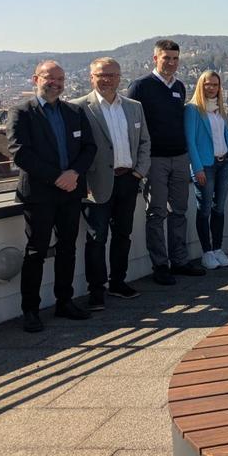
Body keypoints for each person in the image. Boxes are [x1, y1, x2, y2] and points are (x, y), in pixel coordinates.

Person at [8, 61, 97, 331]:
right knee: (36, 251)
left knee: (68, 248)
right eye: (50, 78)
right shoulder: (21, 112)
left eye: (60, 79)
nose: (56, 84)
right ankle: (30, 310)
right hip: (39, 194)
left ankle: (64, 302)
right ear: (36, 79)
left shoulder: (74, 111)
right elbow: (20, 152)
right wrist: (58, 177)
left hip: (71, 191)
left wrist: (74, 173)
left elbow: (89, 148)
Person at [73, 57, 150, 310]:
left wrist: (139, 173)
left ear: (119, 78)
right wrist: (82, 180)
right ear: (91, 77)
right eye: (101, 75)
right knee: (97, 238)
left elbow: (144, 142)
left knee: (123, 234)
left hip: (128, 180)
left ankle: (118, 282)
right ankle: (96, 290)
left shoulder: (134, 107)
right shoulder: (78, 108)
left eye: (112, 75)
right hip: (96, 184)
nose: (106, 79)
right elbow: (75, 149)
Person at [127, 39, 204, 285]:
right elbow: (133, 127)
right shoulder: (140, 87)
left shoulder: (179, 87)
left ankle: (179, 260)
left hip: (180, 158)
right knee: (157, 213)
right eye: (166, 58)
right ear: (155, 58)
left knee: (179, 211)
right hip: (155, 160)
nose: (171, 63)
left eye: (175, 58)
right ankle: (160, 265)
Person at [185, 70, 228, 271]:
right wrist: (197, 168)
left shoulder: (220, 109)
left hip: (224, 163)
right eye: (207, 84)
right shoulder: (192, 109)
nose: (211, 88)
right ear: (200, 85)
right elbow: (190, 141)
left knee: (219, 209)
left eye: (215, 84)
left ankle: (217, 249)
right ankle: (207, 252)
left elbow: (223, 134)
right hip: (205, 166)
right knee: (204, 209)